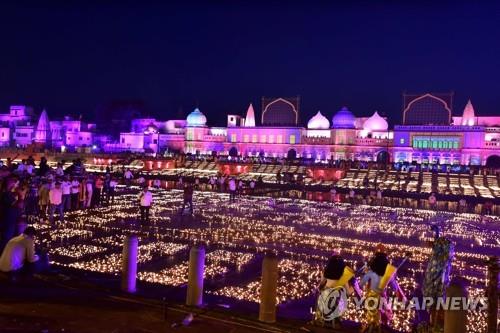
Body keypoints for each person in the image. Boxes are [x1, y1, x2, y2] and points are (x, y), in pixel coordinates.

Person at [360, 244, 406, 332]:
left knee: (372, 309)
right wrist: (396, 291)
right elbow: (392, 280)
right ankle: (378, 326)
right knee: (381, 308)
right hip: (381, 292)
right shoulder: (387, 266)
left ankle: (372, 325)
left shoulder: (372, 264)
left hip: (372, 292)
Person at [314, 252, 361, 328]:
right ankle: (336, 320)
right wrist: (353, 287)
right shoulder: (343, 277)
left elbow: (320, 286)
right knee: (342, 297)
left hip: (323, 301)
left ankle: (320, 318)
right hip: (334, 303)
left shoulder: (325, 272)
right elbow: (349, 292)